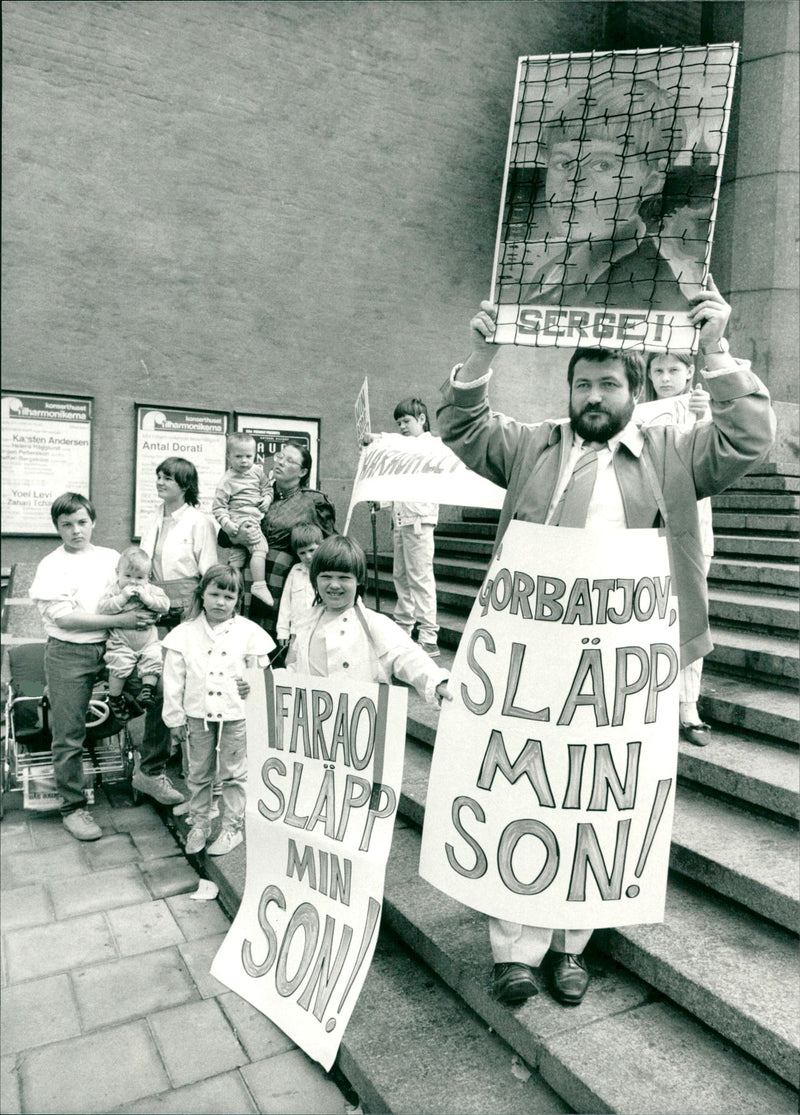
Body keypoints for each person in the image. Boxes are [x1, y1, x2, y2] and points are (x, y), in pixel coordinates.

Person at [438, 277, 775, 1009]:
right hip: (540, 664)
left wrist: (715, 349)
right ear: (570, 391)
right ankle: (515, 949)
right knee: (527, 793)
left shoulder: (674, 453)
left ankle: (571, 945)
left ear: (632, 388)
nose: (595, 395)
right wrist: (483, 351)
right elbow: (461, 429)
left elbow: (750, 438)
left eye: (609, 383)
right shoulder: (530, 447)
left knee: (599, 801)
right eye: (583, 383)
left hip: (624, 669)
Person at [29, 494, 158, 841]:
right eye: (66, 524)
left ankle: (150, 772)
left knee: (159, 691)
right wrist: (125, 618)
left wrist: (144, 613)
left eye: (82, 522)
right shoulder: (51, 565)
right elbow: (66, 619)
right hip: (69, 652)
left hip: (116, 646)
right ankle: (72, 807)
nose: (75, 530)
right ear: (56, 527)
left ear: (93, 521)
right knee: (69, 733)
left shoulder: (111, 558)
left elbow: (135, 590)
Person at [516, 76, 692, 312]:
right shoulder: (552, 271)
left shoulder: (646, 286)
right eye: (563, 163)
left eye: (602, 165)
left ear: (651, 182)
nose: (574, 181)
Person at [161, 565, 275, 857]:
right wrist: (174, 718)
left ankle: (232, 828)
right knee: (199, 773)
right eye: (214, 594)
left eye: (229, 596)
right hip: (197, 716)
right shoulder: (184, 634)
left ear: (238, 600)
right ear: (203, 593)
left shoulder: (249, 634)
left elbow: (262, 677)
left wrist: (253, 691)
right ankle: (200, 823)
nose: (220, 602)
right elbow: (174, 680)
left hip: (235, 716)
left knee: (234, 774)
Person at [638, 350, 715, 746]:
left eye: (673, 370)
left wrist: (703, 416)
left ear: (689, 374)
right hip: (646, 528)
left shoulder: (702, 411)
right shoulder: (637, 415)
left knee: (689, 615)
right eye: (658, 370)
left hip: (691, 530)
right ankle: (648, 704)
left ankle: (689, 708)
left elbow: (721, 450)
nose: (665, 378)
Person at [136, 456, 218, 806]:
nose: (160, 481)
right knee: (156, 685)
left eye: (168, 477)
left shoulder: (200, 521)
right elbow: (142, 563)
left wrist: (200, 617)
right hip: (153, 607)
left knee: (189, 685)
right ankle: (152, 770)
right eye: (158, 476)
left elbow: (210, 571)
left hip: (186, 610)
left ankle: (192, 768)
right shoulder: (153, 518)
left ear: (185, 485)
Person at [290, 535, 451, 709]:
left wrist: (437, 682)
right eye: (326, 577)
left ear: (358, 580)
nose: (334, 585)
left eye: (344, 578)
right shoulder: (305, 621)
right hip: (312, 720)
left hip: (359, 723)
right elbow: (295, 665)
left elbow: (407, 656)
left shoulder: (374, 623)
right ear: (315, 578)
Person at [248, 440, 336, 637]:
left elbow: (330, 545)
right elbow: (225, 538)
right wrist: (238, 536)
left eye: (289, 461)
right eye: (280, 457)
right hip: (251, 577)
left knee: (277, 638)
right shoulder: (257, 494)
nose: (280, 462)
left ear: (303, 472)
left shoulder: (314, 501)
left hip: (285, 580)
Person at [383, 398, 440, 656]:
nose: (402, 426)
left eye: (406, 421)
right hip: (401, 519)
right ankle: (404, 628)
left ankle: (428, 635)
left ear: (422, 419)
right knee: (402, 577)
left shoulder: (429, 445)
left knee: (420, 579)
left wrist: (378, 439)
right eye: (398, 423)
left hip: (419, 520)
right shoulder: (404, 448)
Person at [97, 546, 171, 720]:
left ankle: (147, 691)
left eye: (140, 578)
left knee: (153, 660)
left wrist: (147, 599)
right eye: (128, 576)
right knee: (118, 666)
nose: (134, 582)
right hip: (121, 642)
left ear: (148, 577)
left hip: (147, 641)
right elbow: (103, 608)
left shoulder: (151, 590)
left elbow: (165, 605)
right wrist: (122, 597)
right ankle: (115, 697)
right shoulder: (114, 590)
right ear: (118, 573)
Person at [212, 433, 274, 606]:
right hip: (241, 519)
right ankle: (259, 585)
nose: (244, 461)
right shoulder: (226, 480)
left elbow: (267, 488)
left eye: (249, 456)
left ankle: (234, 590)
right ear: (228, 457)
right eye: (238, 456)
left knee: (237, 559)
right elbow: (218, 507)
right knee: (260, 548)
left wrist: (267, 499)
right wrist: (227, 525)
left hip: (253, 516)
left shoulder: (257, 472)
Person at [276, 522, 324, 659]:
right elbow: (286, 603)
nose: (308, 556)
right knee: (291, 664)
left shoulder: (327, 572)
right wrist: (283, 631)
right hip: (297, 632)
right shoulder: (296, 571)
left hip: (320, 631)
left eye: (312, 550)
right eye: (302, 553)